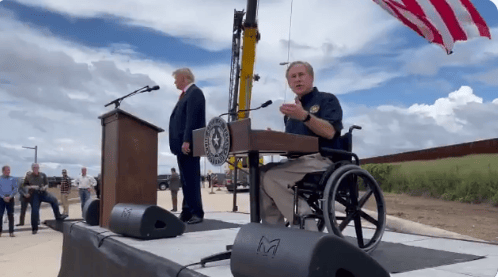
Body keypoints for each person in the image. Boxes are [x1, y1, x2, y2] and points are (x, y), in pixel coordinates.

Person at [259, 61, 344, 231]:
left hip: (322, 161)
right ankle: (274, 232)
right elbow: (293, 141)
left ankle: (308, 231)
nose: (297, 80)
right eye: (293, 77)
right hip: (295, 162)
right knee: (259, 174)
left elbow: (330, 132)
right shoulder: (290, 114)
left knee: (272, 177)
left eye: (301, 75)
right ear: (289, 83)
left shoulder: (327, 100)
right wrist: (275, 137)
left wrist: (305, 116)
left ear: (311, 78)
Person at [168, 68, 206, 224]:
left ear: (184, 78)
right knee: (185, 180)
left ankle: (196, 212)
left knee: (191, 178)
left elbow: (191, 119)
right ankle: (187, 211)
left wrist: (187, 140)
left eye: (176, 79)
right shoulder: (185, 95)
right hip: (182, 145)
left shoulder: (194, 93)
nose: (175, 82)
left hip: (188, 144)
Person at [22, 163, 67, 234]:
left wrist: (44, 187)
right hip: (34, 194)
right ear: (32, 168)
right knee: (35, 210)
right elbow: (25, 185)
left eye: (37, 167)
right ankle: (34, 228)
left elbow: (47, 184)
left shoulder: (43, 175)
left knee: (54, 200)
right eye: (34, 168)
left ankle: (58, 216)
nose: (36, 169)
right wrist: (32, 187)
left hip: (43, 193)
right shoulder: (29, 176)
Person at [0, 165, 18, 237]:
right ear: (3, 171)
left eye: (9, 170)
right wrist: (3, 197)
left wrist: (10, 196)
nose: (9, 171)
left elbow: (15, 188)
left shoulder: (12, 179)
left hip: (10, 198)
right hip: (1, 199)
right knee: (0, 215)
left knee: (11, 215)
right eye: (7, 170)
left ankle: (11, 232)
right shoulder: (0, 179)